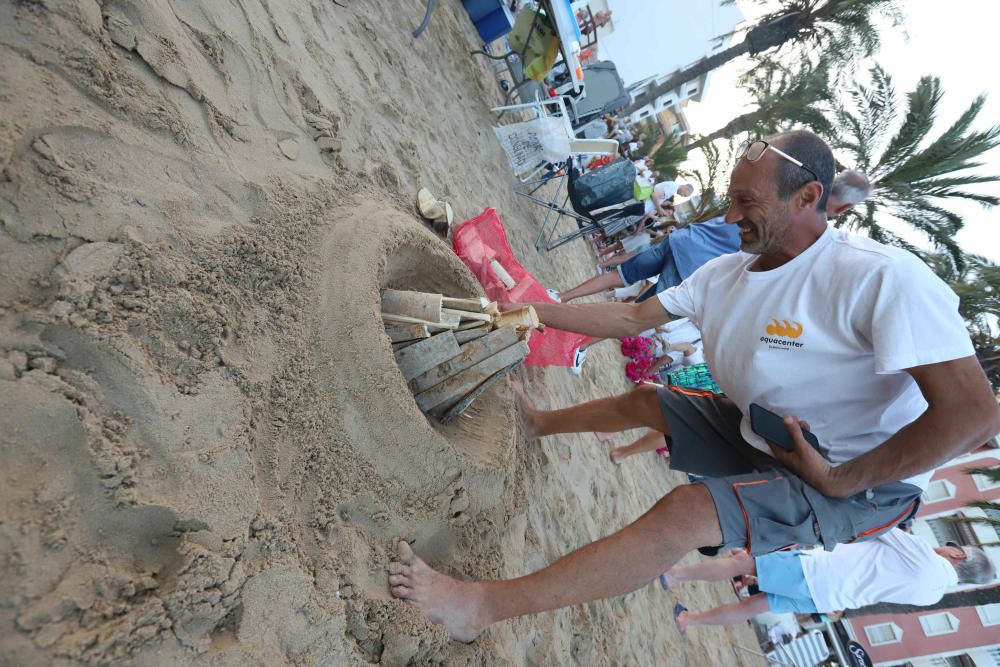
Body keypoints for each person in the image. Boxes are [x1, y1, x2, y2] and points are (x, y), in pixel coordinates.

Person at [385, 130, 1000, 643]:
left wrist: (841, 478)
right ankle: (540, 422)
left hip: (859, 481)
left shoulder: (879, 280)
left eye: (746, 202)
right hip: (770, 425)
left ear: (809, 196)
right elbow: (629, 319)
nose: (730, 216)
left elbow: (974, 414)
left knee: (683, 514)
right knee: (648, 398)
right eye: (730, 198)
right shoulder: (725, 272)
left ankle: (480, 608)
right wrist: (533, 312)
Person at [555, 168, 870, 305]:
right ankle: (578, 343)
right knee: (632, 312)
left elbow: (732, 211)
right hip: (692, 266)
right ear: (843, 207)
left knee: (620, 276)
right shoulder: (804, 232)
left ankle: (562, 297)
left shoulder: (781, 187)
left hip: (683, 239)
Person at [665, 529, 995, 633]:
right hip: (831, 598)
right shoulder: (934, 595)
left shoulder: (925, 556)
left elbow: (881, 523)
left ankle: (676, 575)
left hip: (817, 572)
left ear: (958, 557)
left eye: (952, 547)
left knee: (743, 562)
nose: (945, 547)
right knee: (755, 605)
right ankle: (689, 620)